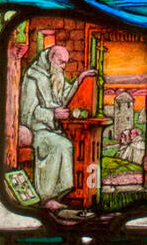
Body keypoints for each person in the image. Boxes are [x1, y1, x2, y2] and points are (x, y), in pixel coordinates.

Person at [19, 45, 96, 209]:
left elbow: (64, 97)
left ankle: (59, 195)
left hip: (52, 130)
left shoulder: (55, 75)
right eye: (61, 62)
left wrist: (80, 79)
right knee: (61, 144)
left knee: (66, 144)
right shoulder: (33, 77)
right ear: (51, 58)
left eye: (65, 63)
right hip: (36, 130)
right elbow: (28, 112)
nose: (63, 67)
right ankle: (47, 197)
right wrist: (53, 115)